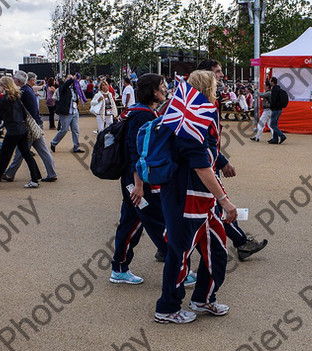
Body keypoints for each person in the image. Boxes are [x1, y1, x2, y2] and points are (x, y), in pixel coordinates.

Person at [155, 73, 237, 323]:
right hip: (185, 197)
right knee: (179, 254)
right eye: (217, 82)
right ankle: (167, 307)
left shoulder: (188, 112)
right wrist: (225, 200)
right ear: (208, 87)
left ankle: (203, 298)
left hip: (202, 199)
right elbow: (201, 165)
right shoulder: (192, 116)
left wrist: (221, 164)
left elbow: (206, 155)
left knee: (218, 250)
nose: (220, 84)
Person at [197, 59, 268, 262]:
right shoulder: (204, 105)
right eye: (217, 72)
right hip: (204, 165)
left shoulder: (204, 101)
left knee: (208, 208)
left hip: (205, 163)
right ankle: (238, 243)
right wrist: (222, 162)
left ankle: (167, 246)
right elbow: (206, 143)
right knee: (216, 206)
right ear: (206, 75)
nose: (221, 75)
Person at [110, 74, 171, 285]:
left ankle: (119, 267)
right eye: (162, 86)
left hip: (132, 178)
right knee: (156, 222)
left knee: (130, 222)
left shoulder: (136, 112)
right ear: (153, 91)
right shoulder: (143, 116)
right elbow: (137, 153)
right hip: (138, 180)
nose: (165, 89)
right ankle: (177, 268)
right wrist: (138, 185)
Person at [0, 76, 42, 189]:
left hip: (12, 130)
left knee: (5, 157)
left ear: (4, 86)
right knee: (27, 154)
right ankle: (35, 178)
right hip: (22, 129)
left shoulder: (4, 99)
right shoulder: (17, 97)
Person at [2, 70, 57, 183]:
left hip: (30, 126)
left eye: (14, 79)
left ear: (17, 81)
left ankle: (9, 174)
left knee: (21, 151)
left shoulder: (22, 91)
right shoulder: (28, 90)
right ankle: (52, 173)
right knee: (43, 151)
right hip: (37, 123)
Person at [50, 72, 85, 154]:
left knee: (75, 130)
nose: (71, 79)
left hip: (74, 111)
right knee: (64, 129)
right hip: (66, 112)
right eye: (69, 78)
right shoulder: (62, 87)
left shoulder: (74, 88)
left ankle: (76, 147)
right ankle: (53, 143)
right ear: (65, 79)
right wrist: (71, 80)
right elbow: (65, 86)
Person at [269, 77, 287, 144]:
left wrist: (271, 106)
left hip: (275, 109)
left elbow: (273, 100)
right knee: (275, 124)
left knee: (272, 125)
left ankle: (282, 136)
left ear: (272, 82)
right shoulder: (278, 88)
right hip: (279, 109)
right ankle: (275, 139)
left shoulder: (274, 89)